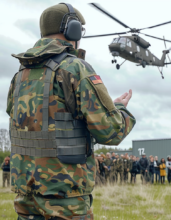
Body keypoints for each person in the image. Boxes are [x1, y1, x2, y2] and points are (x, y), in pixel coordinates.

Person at [7, 3, 136, 219]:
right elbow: (111, 131)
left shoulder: (19, 76)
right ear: (72, 29)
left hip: (26, 201)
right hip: (66, 203)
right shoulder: (75, 68)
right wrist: (120, 109)